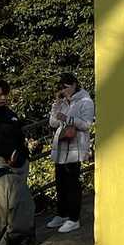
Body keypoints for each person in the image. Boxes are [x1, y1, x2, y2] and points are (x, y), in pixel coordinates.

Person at [48, 74, 94, 235]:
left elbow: (87, 124)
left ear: (74, 84)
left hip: (75, 148)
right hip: (61, 146)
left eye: (66, 87)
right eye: (61, 87)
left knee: (72, 183)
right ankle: (62, 214)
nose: (63, 90)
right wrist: (56, 105)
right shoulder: (62, 102)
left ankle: (74, 218)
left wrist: (68, 119)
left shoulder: (85, 101)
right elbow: (53, 123)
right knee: (60, 181)